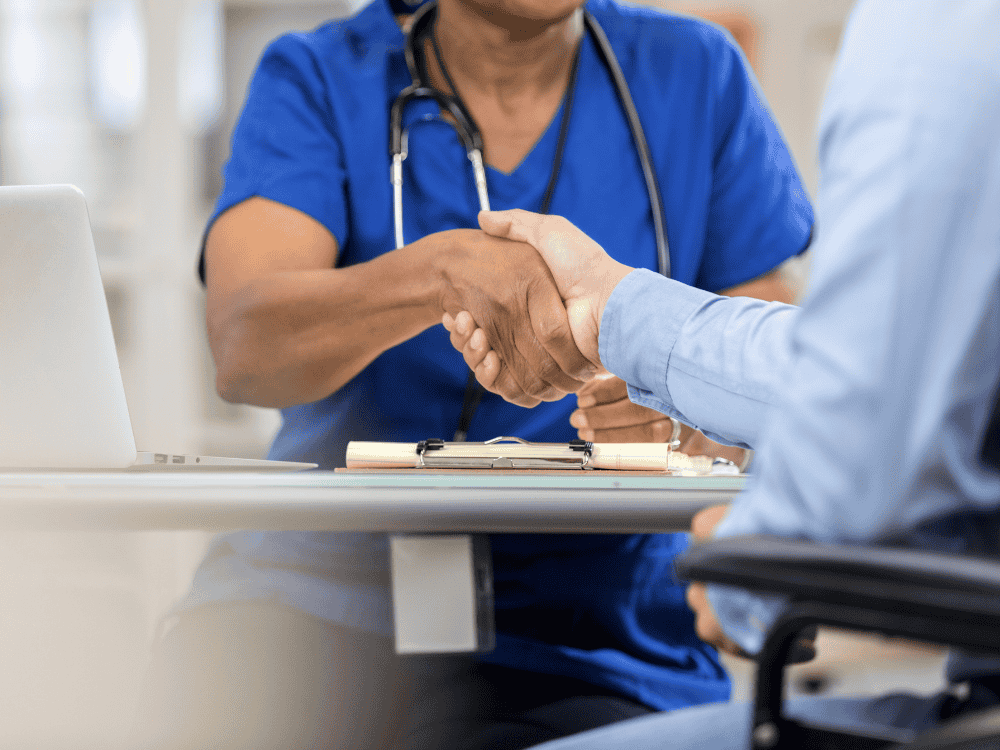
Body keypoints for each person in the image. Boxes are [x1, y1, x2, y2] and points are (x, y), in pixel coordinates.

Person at [131, 0, 813, 748]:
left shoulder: (695, 73)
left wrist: (684, 416)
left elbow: (776, 372)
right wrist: (441, 270)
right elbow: (245, 345)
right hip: (316, 593)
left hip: (596, 630)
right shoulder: (322, 76)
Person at [443, 1, 1000, 747]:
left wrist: (750, 568)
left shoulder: (940, 29)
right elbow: (873, 363)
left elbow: (870, 435)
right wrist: (614, 311)